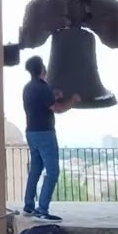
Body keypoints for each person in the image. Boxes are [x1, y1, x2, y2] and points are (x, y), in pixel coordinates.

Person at [21, 55, 78, 221]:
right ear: (42, 69)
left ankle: (28, 206)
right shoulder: (43, 87)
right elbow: (57, 109)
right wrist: (72, 101)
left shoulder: (28, 87)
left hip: (31, 132)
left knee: (35, 170)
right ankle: (42, 209)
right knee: (52, 171)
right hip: (45, 133)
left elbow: (42, 104)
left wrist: (55, 96)